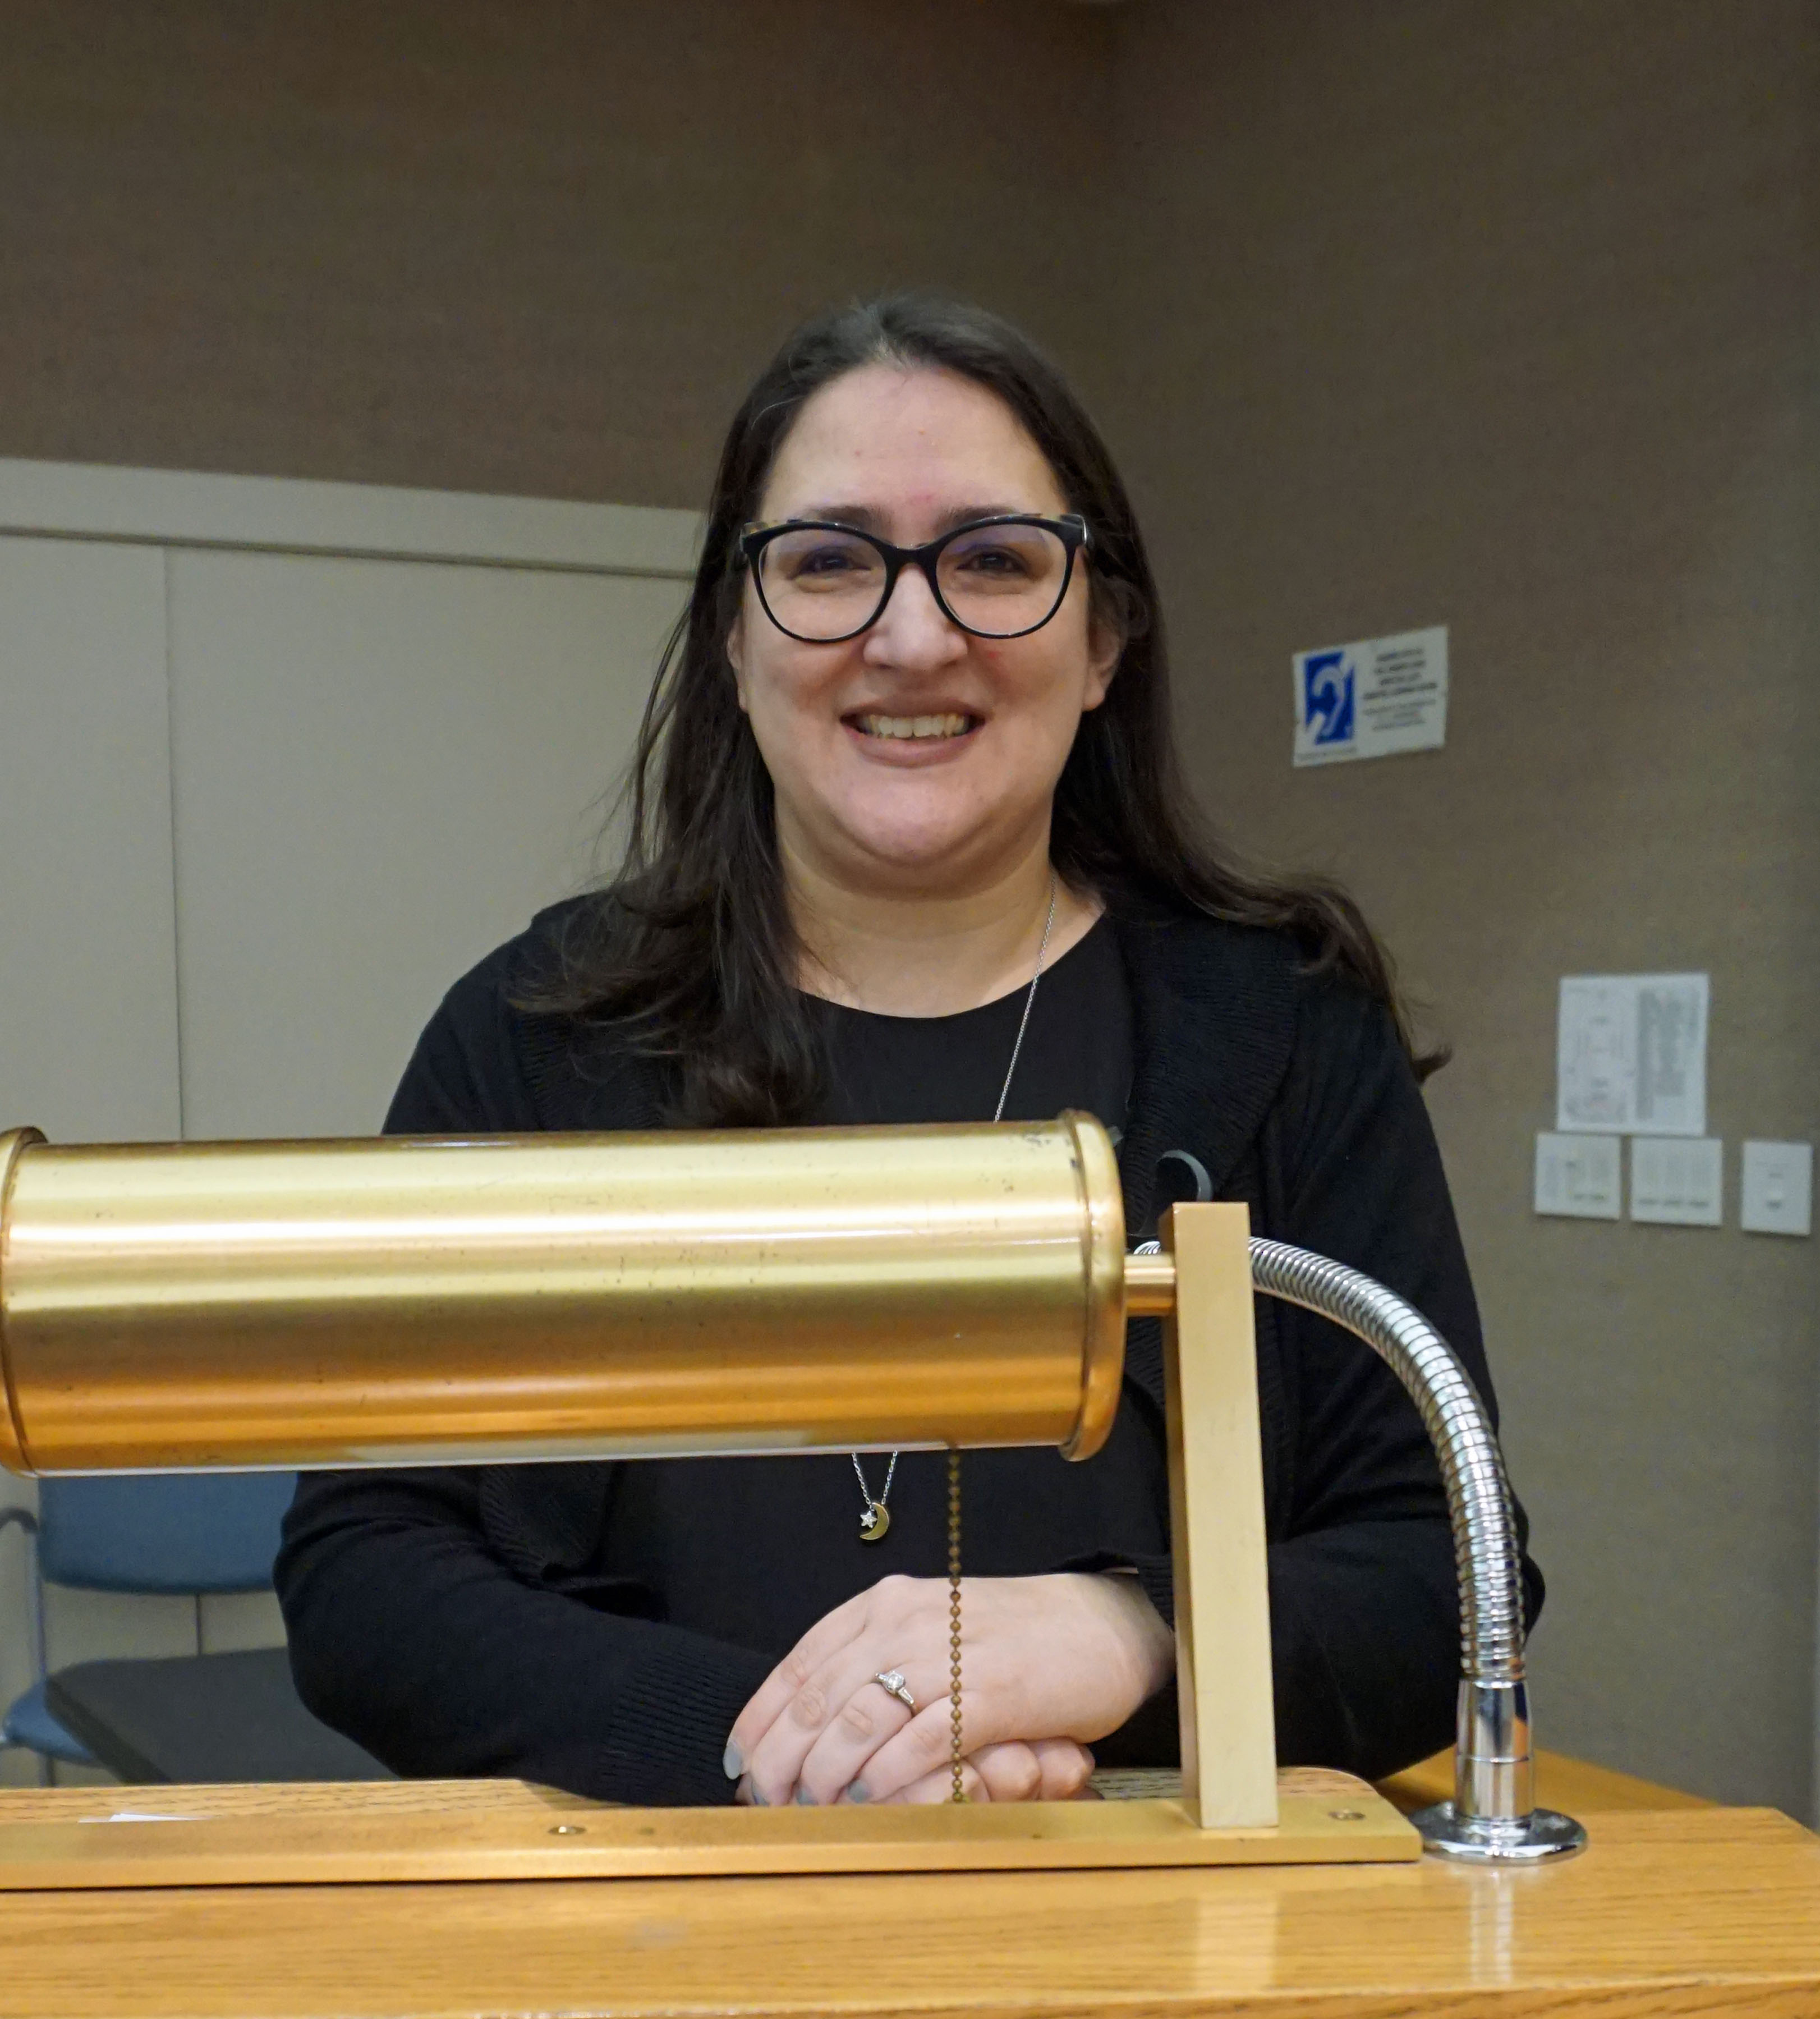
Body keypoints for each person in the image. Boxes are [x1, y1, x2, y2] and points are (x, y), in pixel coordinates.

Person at [277, 290, 1533, 1808]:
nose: (915, 635)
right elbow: (366, 1570)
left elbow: (1446, 1572)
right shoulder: (534, 1036)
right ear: (733, 639)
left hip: (1162, 1928)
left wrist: (1131, 1632)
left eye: (996, 560)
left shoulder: (1285, 1029)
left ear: (1104, 641)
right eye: (829, 562)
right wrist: (780, 1747)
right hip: (641, 1914)